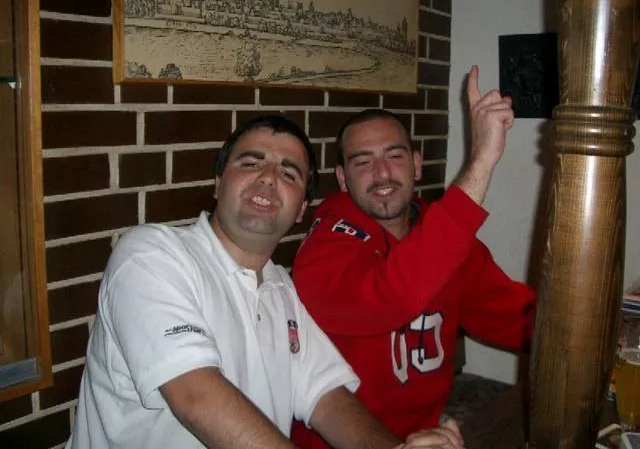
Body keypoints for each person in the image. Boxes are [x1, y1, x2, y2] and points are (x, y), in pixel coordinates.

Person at [67, 115, 465, 449]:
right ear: (218, 183)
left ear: (301, 209)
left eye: (289, 173)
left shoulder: (280, 289)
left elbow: (327, 398)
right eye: (250, 163)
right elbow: (196, 397)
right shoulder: (152, 255)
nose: (269, 178)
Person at [291, 66, 537, 447]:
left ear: (416, 165)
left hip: (429, 439)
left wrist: (600, 331)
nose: (382, 173)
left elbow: (517, 318)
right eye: (363, 162)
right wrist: (481, 162)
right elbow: (395, 294)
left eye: (395, 155)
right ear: (342, 179)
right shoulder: (323, 249)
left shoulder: (443, 239)